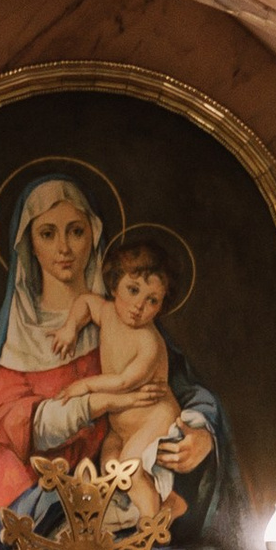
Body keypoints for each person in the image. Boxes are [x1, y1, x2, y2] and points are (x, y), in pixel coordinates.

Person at [0, 170, 242, 550]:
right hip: (25, 493)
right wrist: (94, 404)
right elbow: (4, 419)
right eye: (48, 233)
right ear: (28, 243)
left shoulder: (126, 318)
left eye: (76, 231)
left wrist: (200, 435)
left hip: (105, 495)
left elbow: (181, 394)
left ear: (94, 236)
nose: (64, 248)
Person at [45, 227, 192, 532]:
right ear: (114, 285)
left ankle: (150, 532)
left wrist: (86, 385)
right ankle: (169, 502)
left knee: (129, 469)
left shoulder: (149, 342)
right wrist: (71, 327)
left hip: (155, 415)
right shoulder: (107, 312)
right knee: (110, 469)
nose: (139, 306)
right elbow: (85, 302)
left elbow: (125, 381)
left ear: (162, 305)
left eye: (152, 300)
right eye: (133, 290)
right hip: (121, 423)